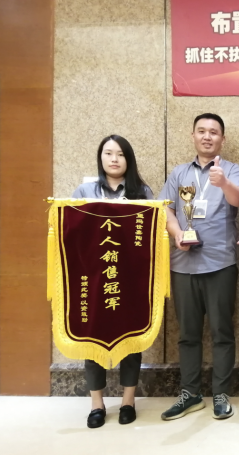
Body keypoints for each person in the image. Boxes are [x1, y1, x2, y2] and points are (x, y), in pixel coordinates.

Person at [158, 113, 239, 421]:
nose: (207, 136)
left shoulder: (231, 170)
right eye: (202, 131)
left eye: (214, 132)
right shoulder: (179, 173)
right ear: (193, 135)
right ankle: (190, 393)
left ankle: (221, 394)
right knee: (188, 334)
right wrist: (176, 234)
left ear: (222, 138)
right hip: (183, 265)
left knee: (222, 332)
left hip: (220, 264)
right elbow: (165, 209)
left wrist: (223, 183)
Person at [72, 134, 153, 429]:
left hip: (130, 278)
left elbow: (150, 235)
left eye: (120, 154)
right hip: (95, 277)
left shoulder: (141, 193)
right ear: (101, 157)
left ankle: (128, 401)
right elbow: (72, 232)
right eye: (108, 153)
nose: (114, 159)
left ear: (128, 159)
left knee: (130, 337)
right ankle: (97, 404)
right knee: (92, 338)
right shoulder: (85, 191)